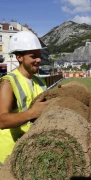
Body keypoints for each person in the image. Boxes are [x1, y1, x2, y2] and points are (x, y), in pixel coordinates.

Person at [0, 31, 51, 166]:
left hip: (31, 151)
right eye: (33, 56)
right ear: (19, 57)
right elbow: (1, 120)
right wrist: (31, 113)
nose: (39, 60)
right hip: (9, 155)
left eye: (39, 56)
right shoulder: (8, 83)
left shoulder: (40, 82)